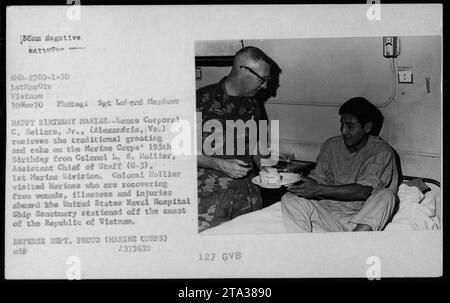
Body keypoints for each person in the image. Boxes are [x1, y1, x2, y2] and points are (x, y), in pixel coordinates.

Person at [282, 97, 399, 232]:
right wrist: (298, 182)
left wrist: (318, 189)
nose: (343, 131)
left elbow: (363, 191)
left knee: (386, 196)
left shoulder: (381, 151)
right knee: (290, 199)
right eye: (342, 125)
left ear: (367, 127)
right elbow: (318, 179)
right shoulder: (331, 145)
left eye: (350, 126)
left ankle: (354, 243)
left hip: (359, 220)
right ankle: (301, 247)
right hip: (327, 215)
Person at [197, 46, 274, 232]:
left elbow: (259, 144)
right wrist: (218, 164)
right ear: (242, 70)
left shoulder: (254, 104)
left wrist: (265, 167)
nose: (264, 86)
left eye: (267, 80)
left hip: (249, 198)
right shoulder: (200, 100)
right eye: (262, 79)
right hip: (209, 202)